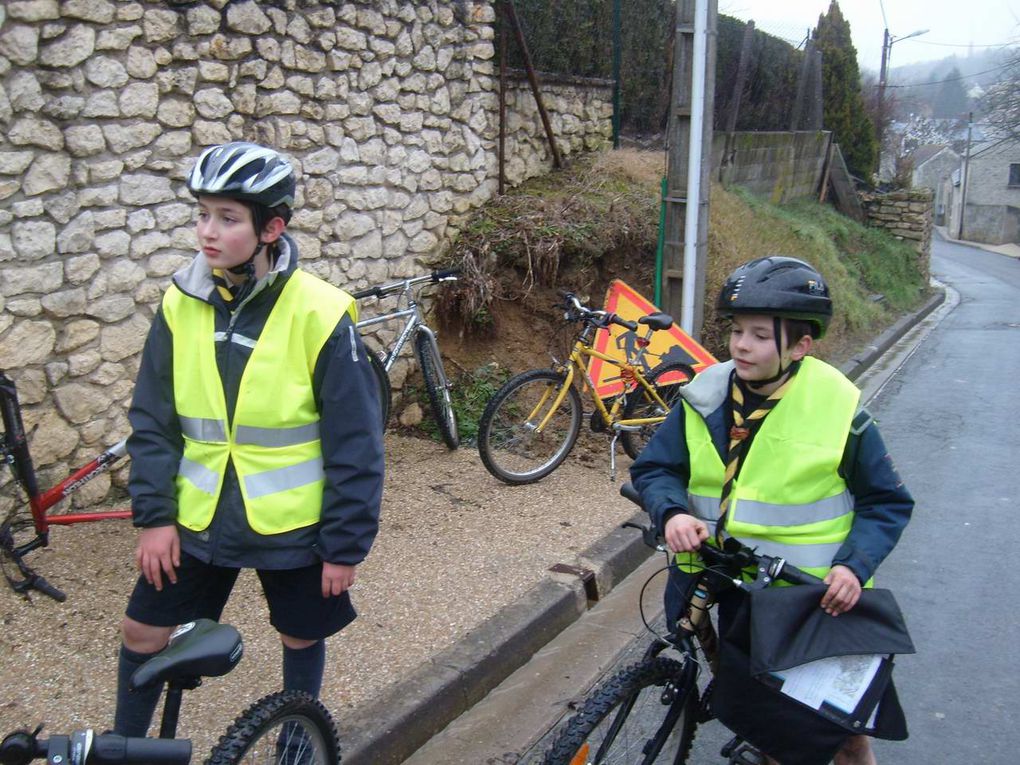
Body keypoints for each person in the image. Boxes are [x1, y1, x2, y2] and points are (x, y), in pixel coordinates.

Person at [113, 141, 384, 736]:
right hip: (196, 518)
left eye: (228, 218)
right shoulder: (180, 302)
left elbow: (357, 443)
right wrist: (155, 518)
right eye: (202, 213)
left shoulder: (320, 312)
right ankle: (126, 747)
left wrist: (345, 545)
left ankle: (298, 741)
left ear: (272, 228)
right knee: (143, 631)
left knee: (301, 633)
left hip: (291, 526)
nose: (208, 231)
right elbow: (153, 419)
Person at [630, 256, 913, 765]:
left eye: (760, 335)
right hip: (725, 581)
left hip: (812, 600)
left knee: (842, 732)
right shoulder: (705, 395)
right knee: (770, 726)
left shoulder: (836, 408)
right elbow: (655, 468)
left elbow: (886, 501)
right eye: (737, 330)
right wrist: (671, 512)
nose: (740, 344)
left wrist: (854, 565)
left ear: (800, 345)